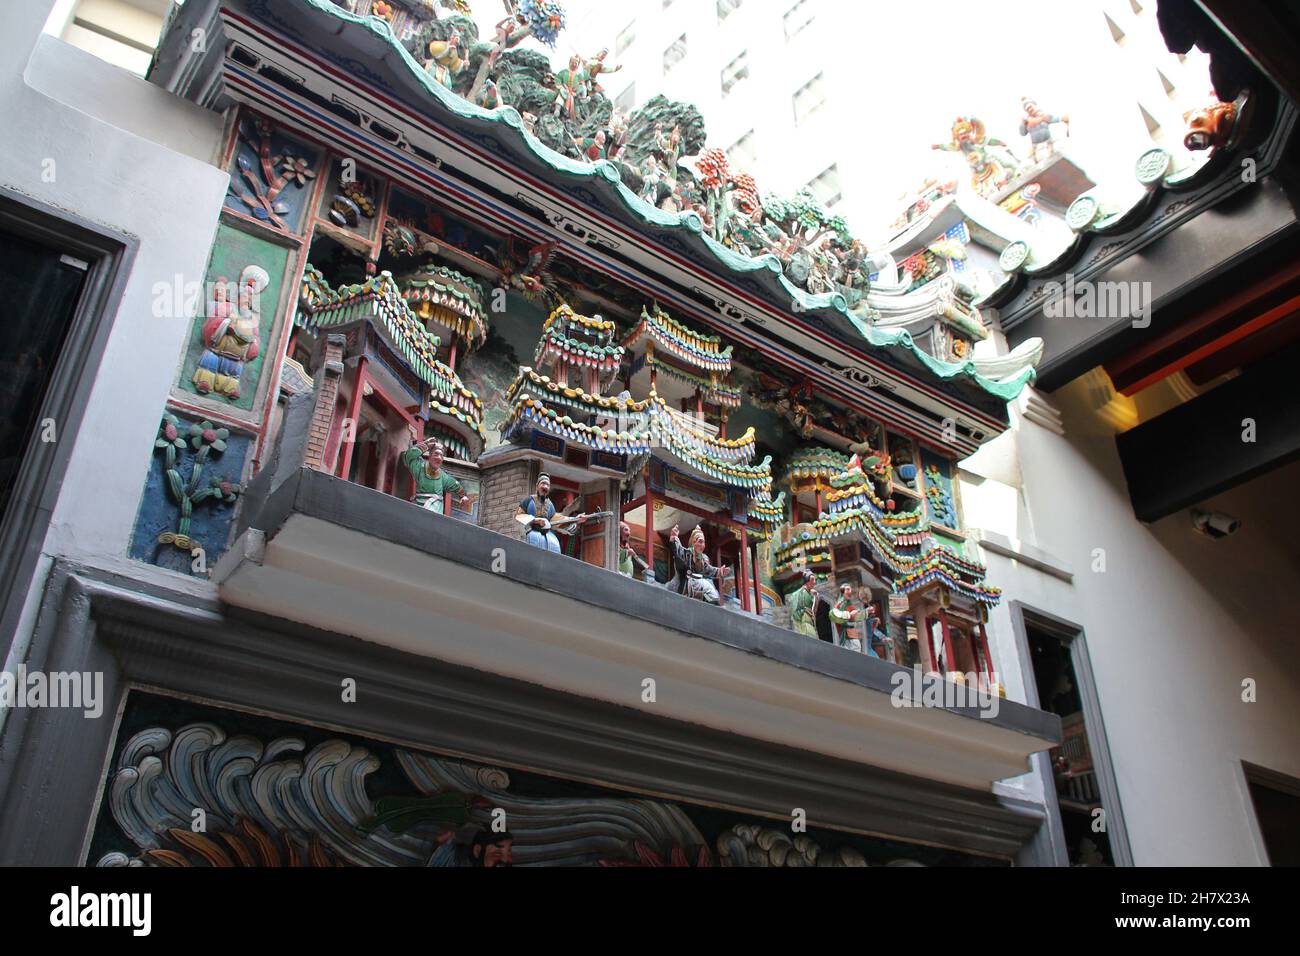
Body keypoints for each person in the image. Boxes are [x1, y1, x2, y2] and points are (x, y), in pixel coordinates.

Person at [400, 436, 469, 514]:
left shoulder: (444, 477)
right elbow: (408, 456)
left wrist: (463, 496)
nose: (439, 458)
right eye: (436, 454)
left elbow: (458, 488)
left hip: (435, 507)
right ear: (430, 456)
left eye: (441, 456)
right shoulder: (420, 467)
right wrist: (426, 445)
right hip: (418, 504)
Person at [517, 473, 582, 553]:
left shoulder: (550, 505)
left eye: (547, 485)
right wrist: (535, 520)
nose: (545, 487)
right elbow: (519, 515)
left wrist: (575, 520)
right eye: (543, 484)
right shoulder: (529, 500)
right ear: (537, 486)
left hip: (548, 538)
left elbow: (555, 519)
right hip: (530, 534)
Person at [668, 524, 728, 605]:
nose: (702, 545)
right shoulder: (686, 553)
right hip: (681, 583)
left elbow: (708, 569)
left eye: (704, 542)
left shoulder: (701, 558)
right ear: (693, 542)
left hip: (695, 584)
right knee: (706, 586)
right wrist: (674, 537)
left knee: (712, 593)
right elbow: (678, 550)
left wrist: (720, 571)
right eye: (700, 541)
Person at [830, 582, 862, 651]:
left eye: (850, 590)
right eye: (847, 589)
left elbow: (855, 618)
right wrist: (850, 616)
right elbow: (838, 618)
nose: (850, 592)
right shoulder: (839, 605)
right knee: (850, 649)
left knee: (857, 647)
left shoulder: (849, 604)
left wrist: (856, 615)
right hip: (845, 634)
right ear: (842, 592)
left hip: (852, 632)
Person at [787, 571, 818, 638]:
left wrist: (815, 597)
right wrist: (804, 610)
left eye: (814, 579)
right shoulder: (801, 592)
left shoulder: (811, 594)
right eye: (812, 579)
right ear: (807, 581)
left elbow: (814, 610)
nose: (814, 582)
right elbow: (795, 609)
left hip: (811, 620)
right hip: (803, 620)